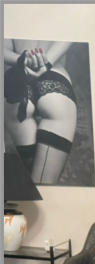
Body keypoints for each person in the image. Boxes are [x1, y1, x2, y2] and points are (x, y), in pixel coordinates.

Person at [4, 39, 77, 184]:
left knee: (29, 183)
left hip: (16, 84)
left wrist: (23, 60)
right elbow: (67, 40)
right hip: (55, 78)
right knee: (43, 187)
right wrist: (46, 63)